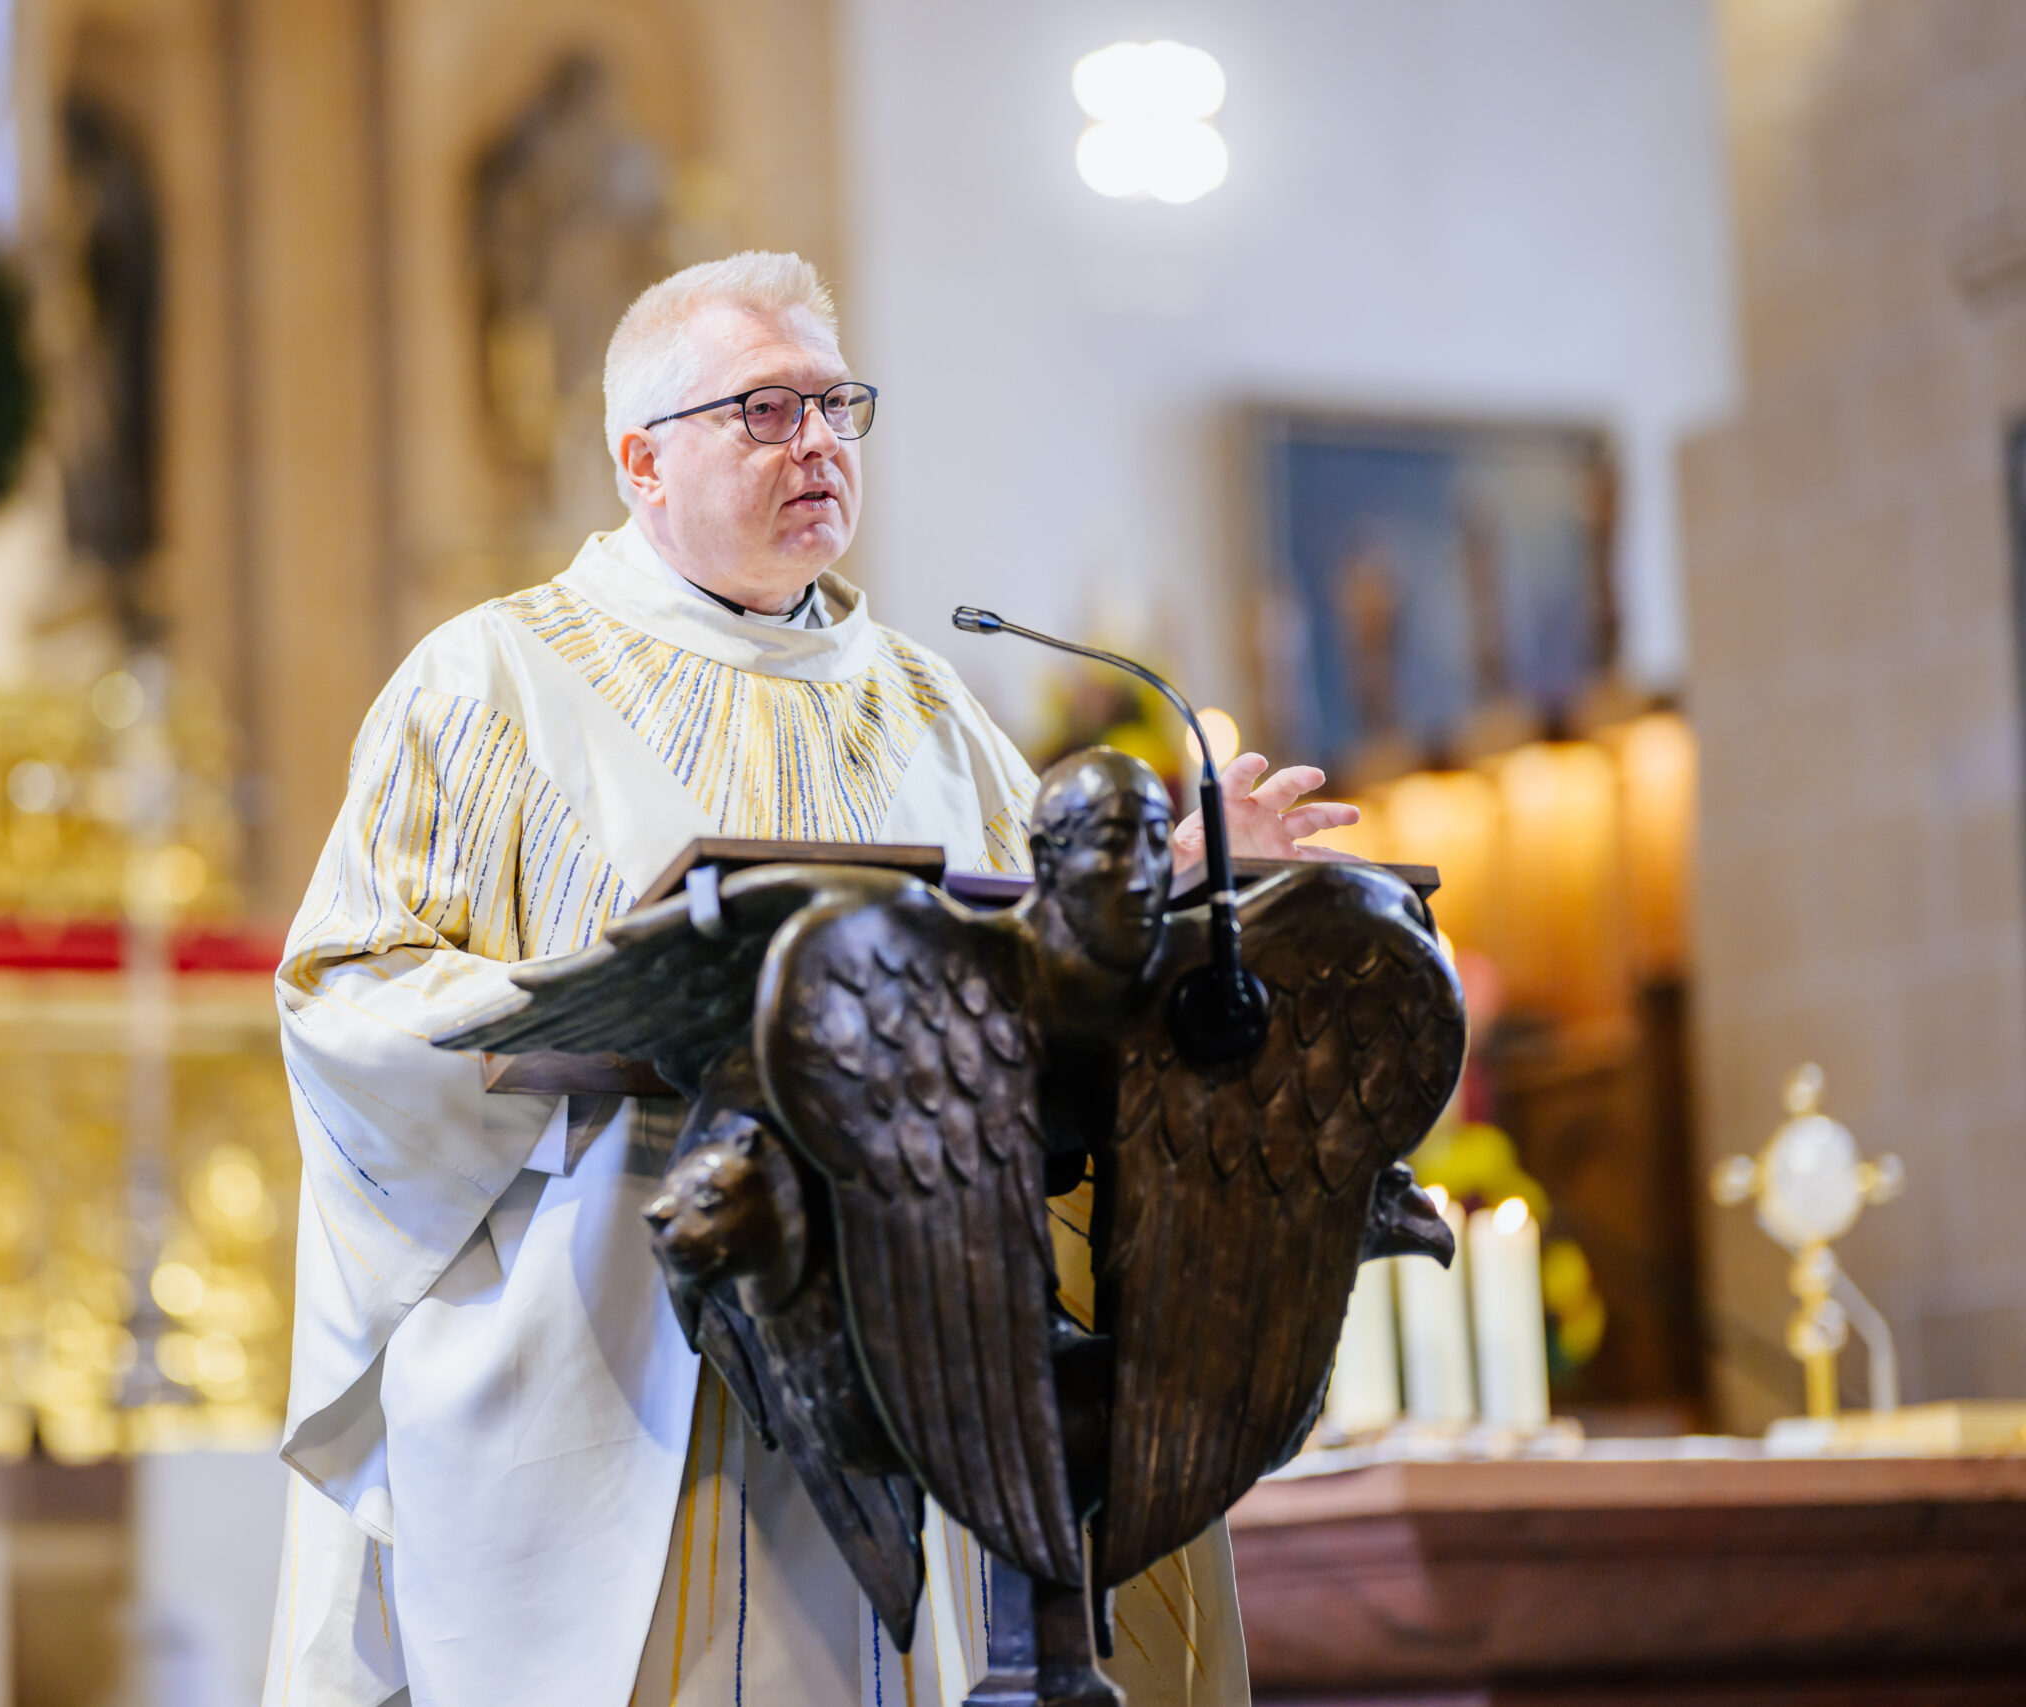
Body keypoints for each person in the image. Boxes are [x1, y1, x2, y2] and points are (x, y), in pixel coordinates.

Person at [261, 252, 1352, 1707]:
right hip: (615, 1336)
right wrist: (602, 1009)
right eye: (765, 412)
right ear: (642, 460)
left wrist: (1170, 899)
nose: (821, 443)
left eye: (838, 405)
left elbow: (1033, 984)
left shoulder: (925, 702)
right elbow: (344, 994)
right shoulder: (493, 682)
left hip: (923, 1344)